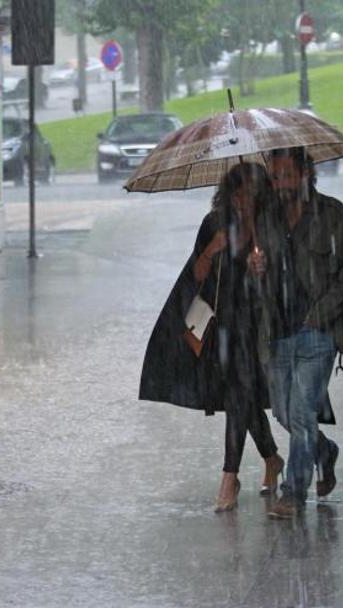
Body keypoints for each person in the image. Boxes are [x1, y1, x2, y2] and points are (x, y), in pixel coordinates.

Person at [140, 162, 284, 513]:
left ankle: (229, 477)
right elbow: (197, 273)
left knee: (240, 396)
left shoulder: (271, 228)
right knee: (242, 397)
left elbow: (283, 280)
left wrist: (263, 269)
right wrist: (212, 249)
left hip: (258, 325)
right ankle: (271, 458)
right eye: (237, 193)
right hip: (223, 325)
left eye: (250, 193)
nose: (243, 201)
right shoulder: (214, 224)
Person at [250, 147, 343, 519]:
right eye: (274, 177)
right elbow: (253, 282)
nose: (280, 184)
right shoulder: (264, 219)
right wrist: (253, 268)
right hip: (275, 331)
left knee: (302, 412)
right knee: (285, 414)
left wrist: (320, 315)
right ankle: (324, 451)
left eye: (287, 175)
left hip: (317, 333)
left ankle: (294, 492)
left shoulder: (335, 216)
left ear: (307, 173)